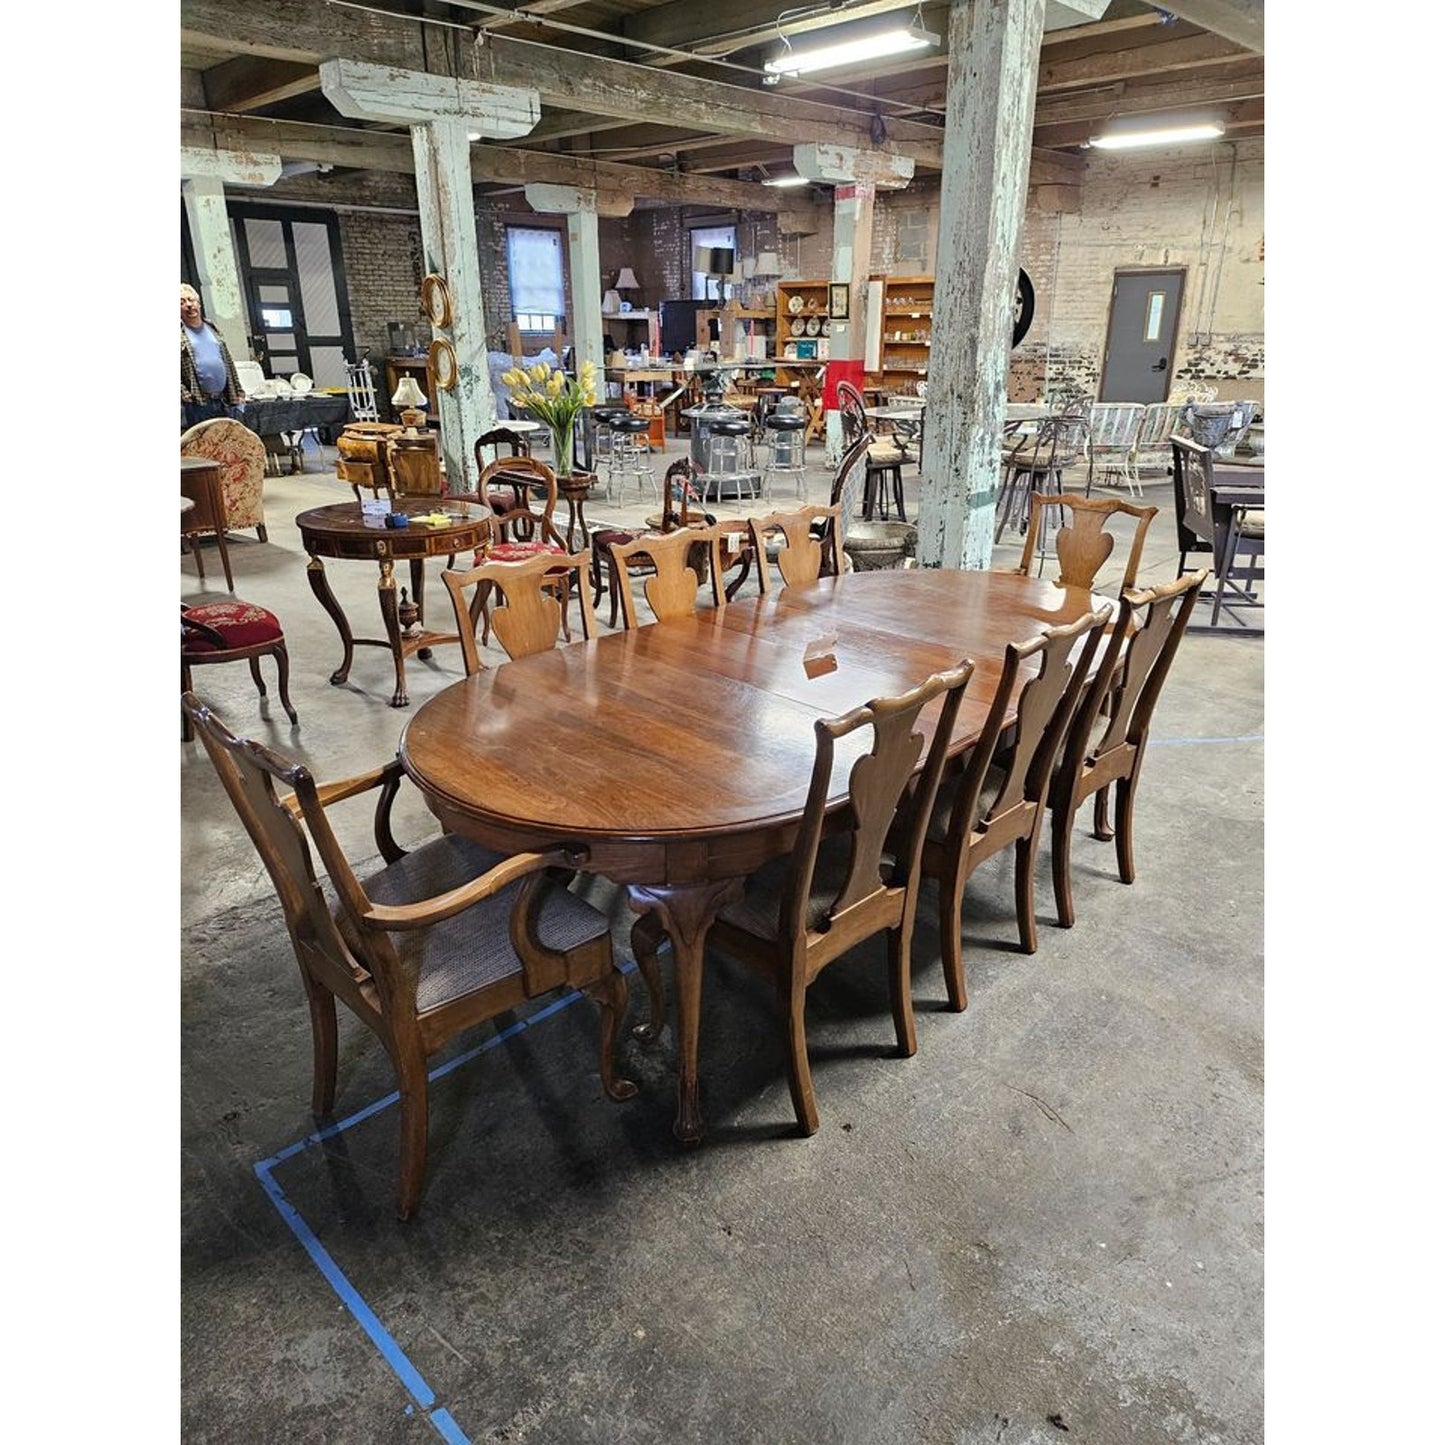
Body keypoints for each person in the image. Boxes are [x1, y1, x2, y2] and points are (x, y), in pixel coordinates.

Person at [181, 283, 246, 430]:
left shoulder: (212, 328)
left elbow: (228, 362)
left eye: (191, 300)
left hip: (223, 400)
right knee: (202, 448)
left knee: (225, 446)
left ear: (199, 304)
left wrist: (239, 391)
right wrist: (186, 396)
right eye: (182, 302)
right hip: (197, 404)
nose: (189, 305)